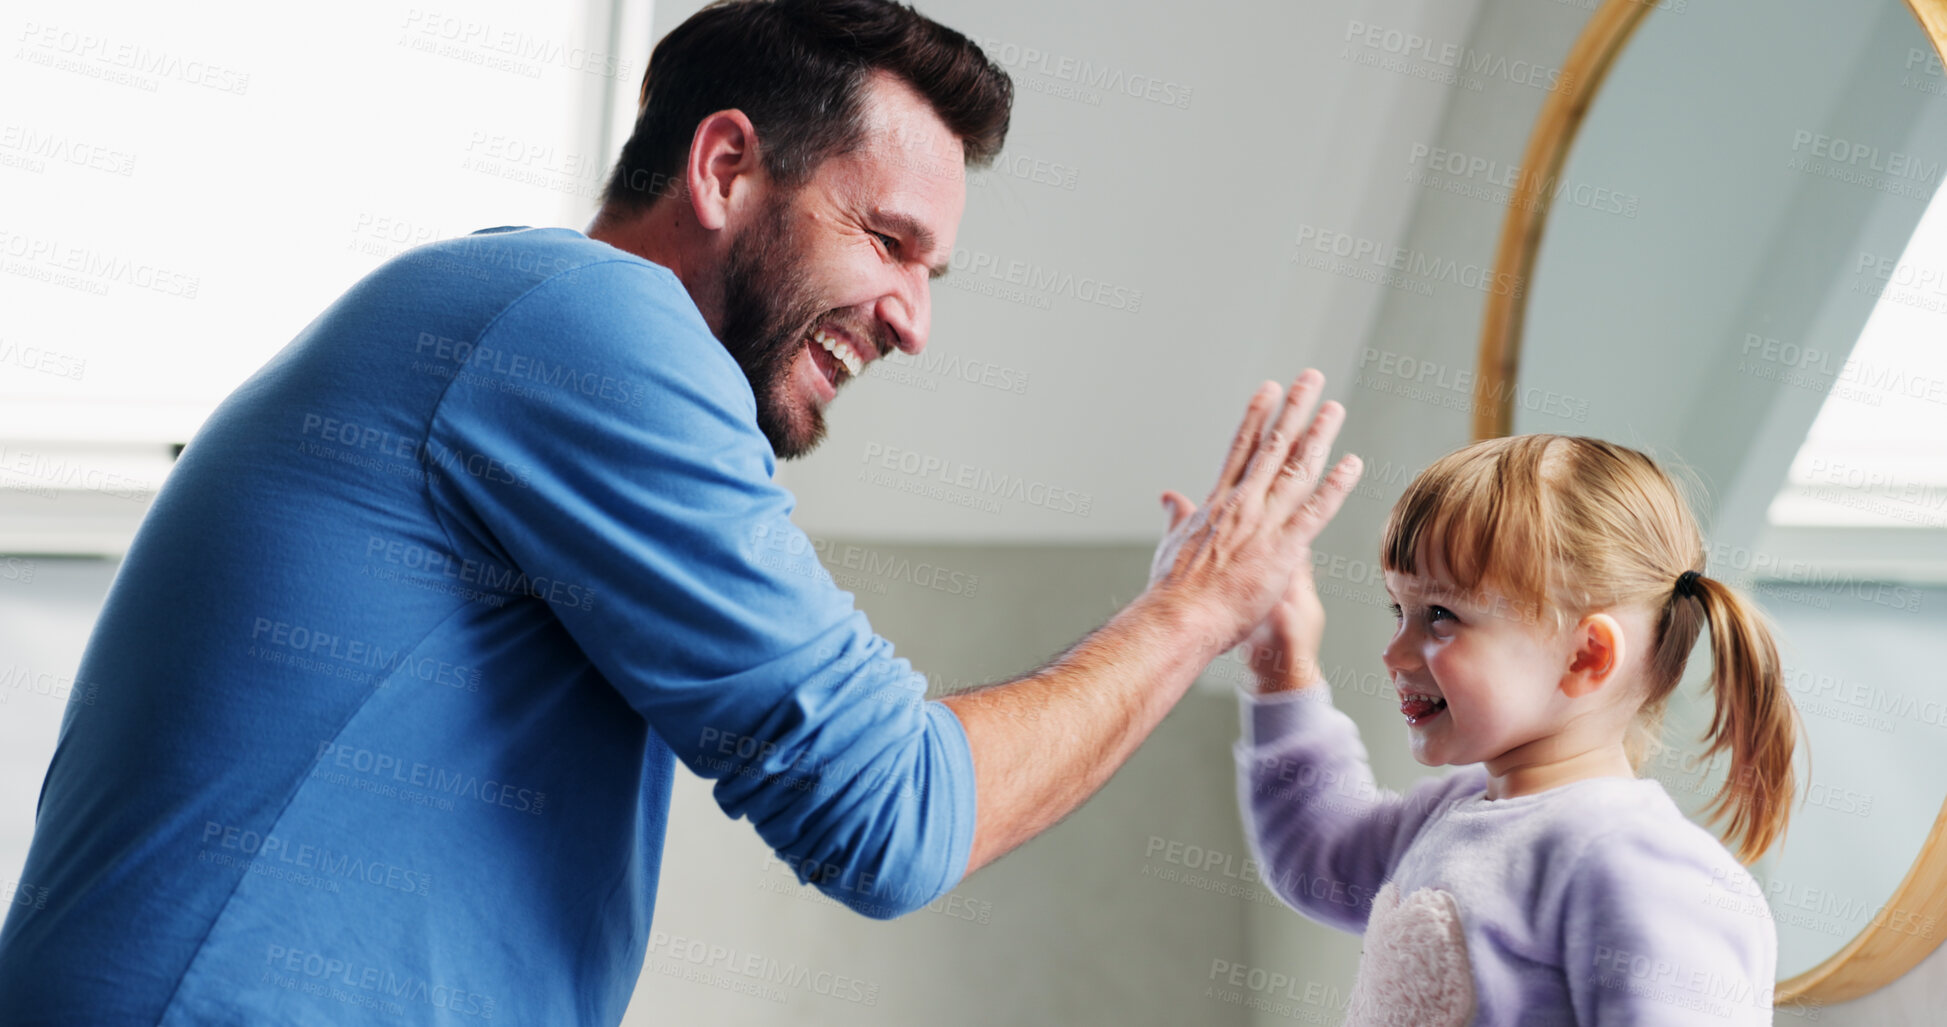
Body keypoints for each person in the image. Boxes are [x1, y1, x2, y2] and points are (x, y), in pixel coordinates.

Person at [0, 1, 1364, 1023]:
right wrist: (1195, 605)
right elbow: (888, 811)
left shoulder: (523, 340)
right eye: (887, 239)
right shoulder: (589, 323)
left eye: (933, 269)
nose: (914, 321)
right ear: (723, 168)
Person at [1202, 434, 1800, 1026]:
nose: (1394, 653)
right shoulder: (1455, 811)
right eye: (1399, 610)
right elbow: (1321, 857)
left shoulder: (1633, 864)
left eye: (1441, 615)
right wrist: (1282, 659)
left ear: (1586, 656)